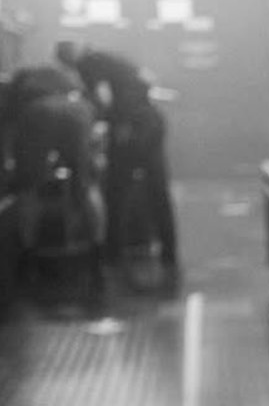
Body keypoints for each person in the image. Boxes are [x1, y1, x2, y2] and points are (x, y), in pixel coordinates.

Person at [55, 40, 180, 289]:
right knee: (158, 191)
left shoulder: (87, 64)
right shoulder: (110, 58)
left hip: (128, 126)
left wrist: (103, 122)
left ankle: (113, 253)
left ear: (67, 59)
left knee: (116, 192)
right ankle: (169, 252)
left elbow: (95, 99)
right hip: (150, 120)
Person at [4, 61, 106, 293]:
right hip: (78, 109)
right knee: (88, 185)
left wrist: (14, 164)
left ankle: (26, 259)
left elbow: (9, 124)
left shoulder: (20, 79)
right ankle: (97, 255)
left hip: (38, 112)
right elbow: (97, 109)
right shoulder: (68, 74)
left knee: (29, 188)